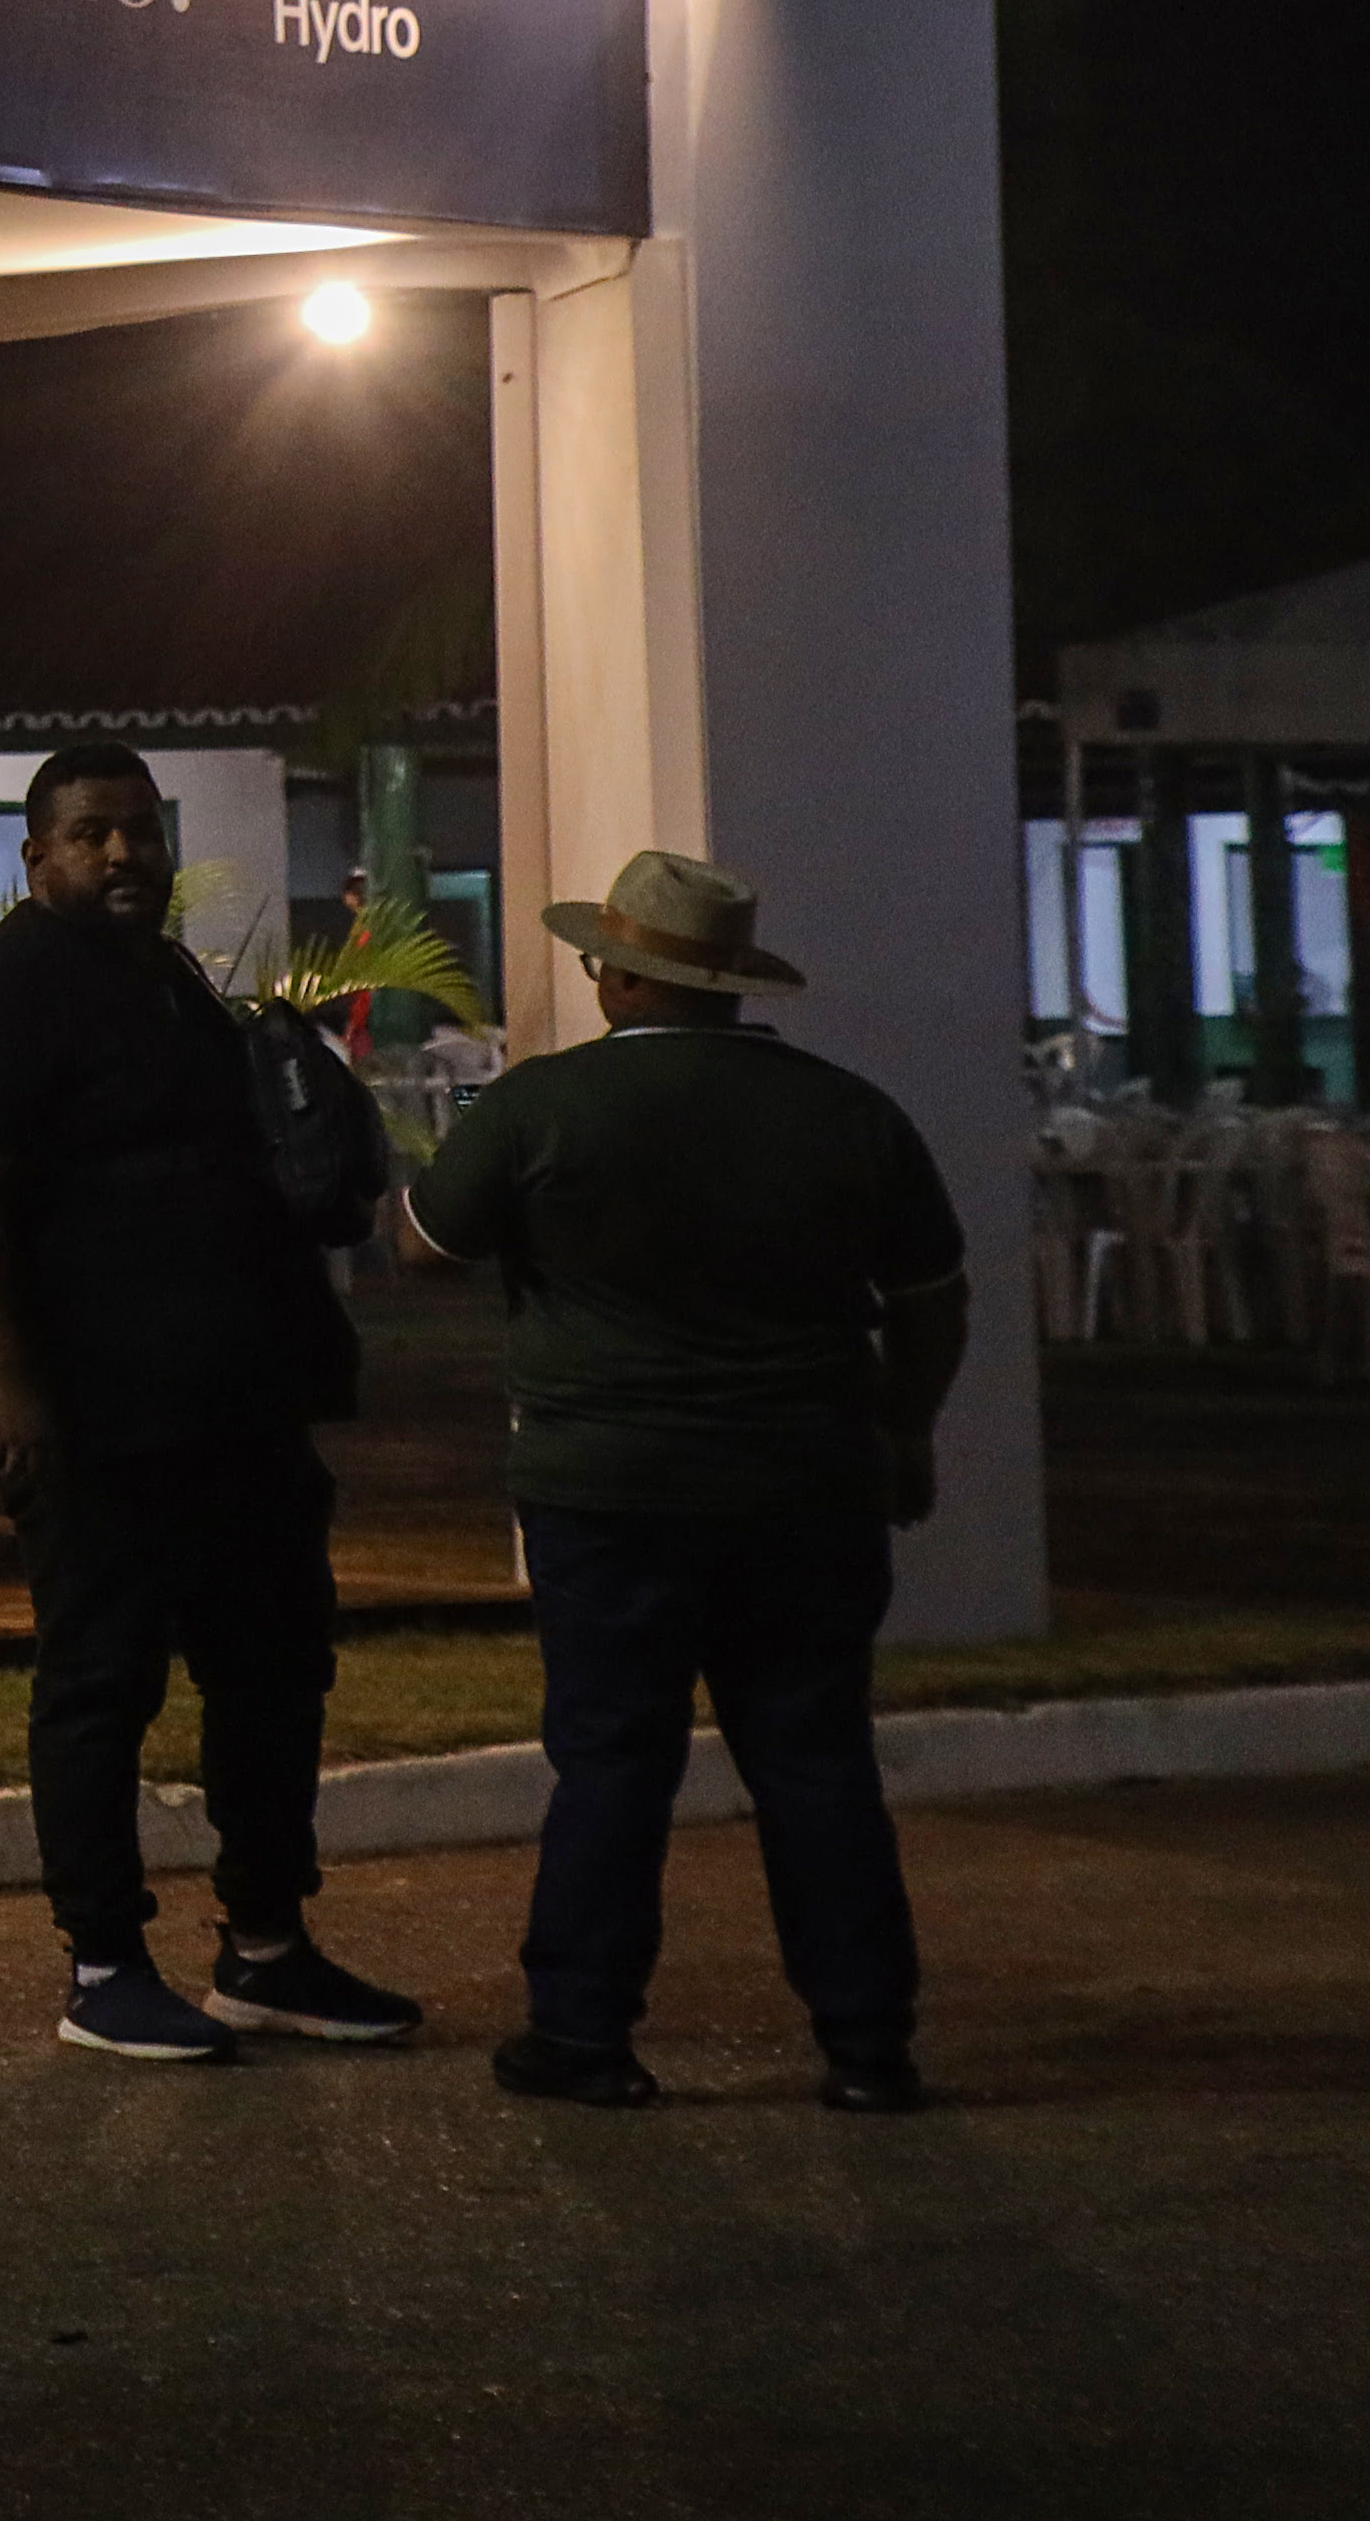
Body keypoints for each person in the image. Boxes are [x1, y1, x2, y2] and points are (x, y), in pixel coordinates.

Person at [406, 848, 970, 2113]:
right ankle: (867, 2044)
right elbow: (934, 1297)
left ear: (613, 975)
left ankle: (584, 2033)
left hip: (605, 1488)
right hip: (807, 1484)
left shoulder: (542, 1106)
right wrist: (906, 1430)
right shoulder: (850, 1112)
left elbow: (427, 1239)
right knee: (817, 1761)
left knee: (613, 1760)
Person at [0, 741, 418, 2066]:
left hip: (233, 1402)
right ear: (38, 855)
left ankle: (267, 1947)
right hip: (95, 1411)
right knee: (101, 1680)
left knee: (274, 1667)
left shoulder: (165, 977)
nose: (124, 852)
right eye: (92, 833)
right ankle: (104, 1964)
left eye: (140, 828)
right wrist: (9, 1382)